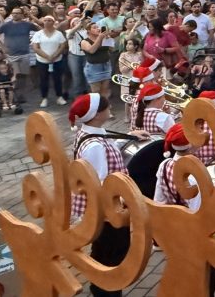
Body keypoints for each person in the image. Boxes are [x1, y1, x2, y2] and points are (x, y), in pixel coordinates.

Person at [68, 93, 132, 297]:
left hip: (105, 210)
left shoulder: (89, 132)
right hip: (107, 211)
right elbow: (101, 183)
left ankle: (100, 285)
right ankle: (107, 289)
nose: (110, 107)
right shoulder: (94, 146)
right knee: (113, 252)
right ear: (96, 115)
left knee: (103, 250)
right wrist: (121, 204)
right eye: (105, 107)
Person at [0, 6, 39, 104]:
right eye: (13, 13)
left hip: (25, 53)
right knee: (14, 75)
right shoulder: (6, 25)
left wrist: (33, 40)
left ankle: (21, 94)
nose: (15, 14)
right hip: (11, 54)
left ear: (22, 15)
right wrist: (2, 47)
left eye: (17, 13)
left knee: (23, 75)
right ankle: (13, 94)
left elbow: (40, 30)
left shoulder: (28, 24)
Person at [31, 15, 68, 108]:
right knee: (43, 80)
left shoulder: (58, 33)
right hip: (42, 61)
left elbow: (62, 45)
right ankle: (44, 98)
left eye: (49, 20)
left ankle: (59, 97)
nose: (47, 22)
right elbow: (35, 47)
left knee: (58, 79)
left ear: (53, 22)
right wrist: (47, 56)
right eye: (45, 20)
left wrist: (55, 55)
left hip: (57, 60)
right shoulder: (38, 34)